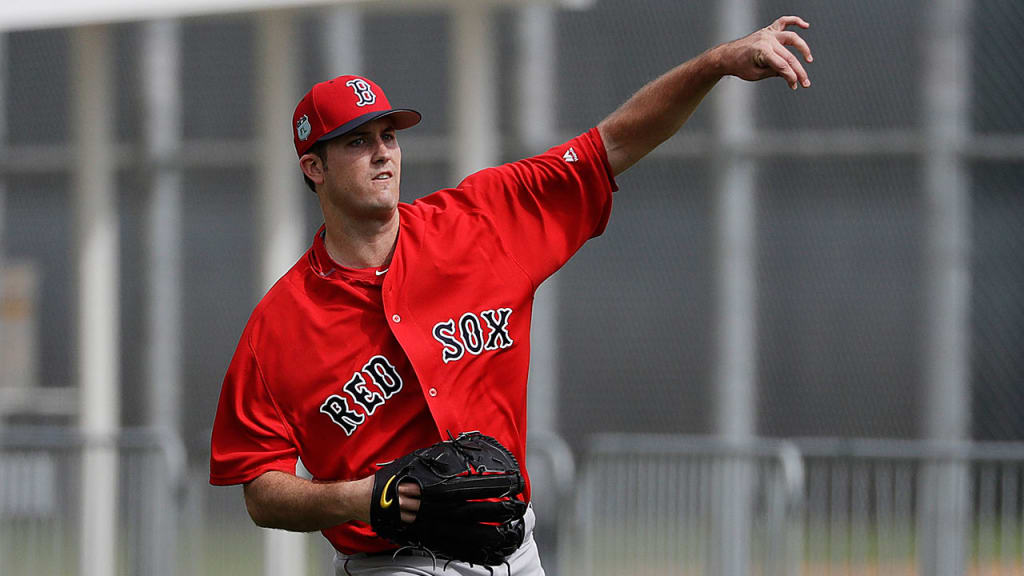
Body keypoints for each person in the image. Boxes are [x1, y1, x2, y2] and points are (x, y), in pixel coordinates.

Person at [210, 15, 813, 575]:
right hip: (395, 563)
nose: (382, 154)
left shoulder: (481, 222)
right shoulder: (279, 326)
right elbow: (261, 490)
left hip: (512, 551)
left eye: (388, 135)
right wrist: (365, 498)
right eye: (356, 142)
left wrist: (715, 64)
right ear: (313, 168)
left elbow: (614, 146)